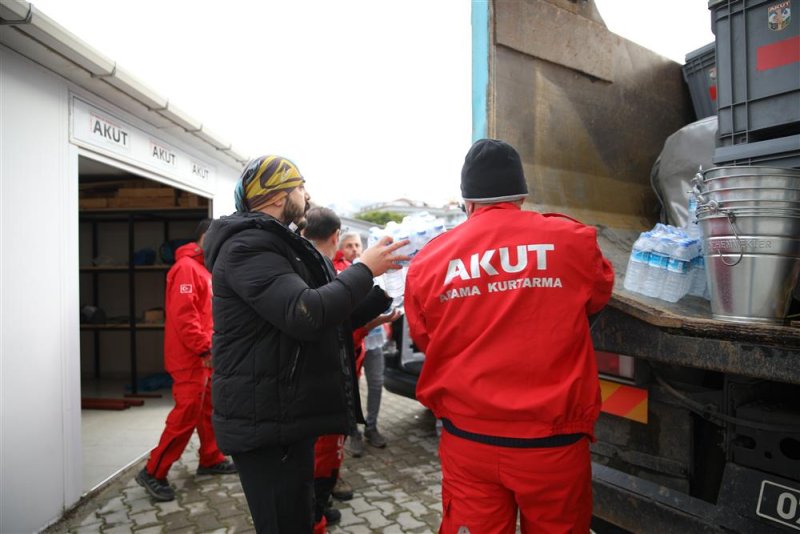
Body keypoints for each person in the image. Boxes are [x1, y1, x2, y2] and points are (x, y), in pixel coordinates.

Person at [404, 139, 614, 533]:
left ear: (467, 201)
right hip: (553, 443)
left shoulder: (429, 260)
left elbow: (427, 339)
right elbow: (598, 294)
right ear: (521, 194)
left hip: (468, 442)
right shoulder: (571, 239)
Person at [203, 155, 408, 533]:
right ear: (278, 196)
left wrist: (382, 289)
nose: (307, 194)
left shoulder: (279, 245)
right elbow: (306, 312)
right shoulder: (248, 247)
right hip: (265, 420)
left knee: (296, 519)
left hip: (283, 414)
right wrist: (363, 267)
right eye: (299, 187)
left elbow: (329, 313)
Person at [302, 207, 399, 531]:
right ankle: (314, 512)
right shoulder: (318, 270)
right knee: (320, 456)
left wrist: (380, 309)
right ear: (336, 237)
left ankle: (321, 502)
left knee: (329, 453)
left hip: (328, 379)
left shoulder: (307, 267)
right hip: (322, 383)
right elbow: (331, 321)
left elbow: (341, 321)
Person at [136, 219, 237, 502]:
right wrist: (205, 349)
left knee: (207, 410)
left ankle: (210, 458)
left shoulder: (204, 269)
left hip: (203, 356)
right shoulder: (185, 269)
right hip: (191, 358)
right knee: (186, 415)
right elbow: (185, 317)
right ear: (206, 237)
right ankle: (153, 472)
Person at [336, 232, 391, 457]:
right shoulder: (339, 271)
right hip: (354, 338)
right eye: (349, 245)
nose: (354, 249)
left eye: (357, 245)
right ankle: (353, 433)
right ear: (340, 247)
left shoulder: (374, 268)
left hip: (375, 337)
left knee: (376, 382)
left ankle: (371, 427)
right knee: (351, 386)